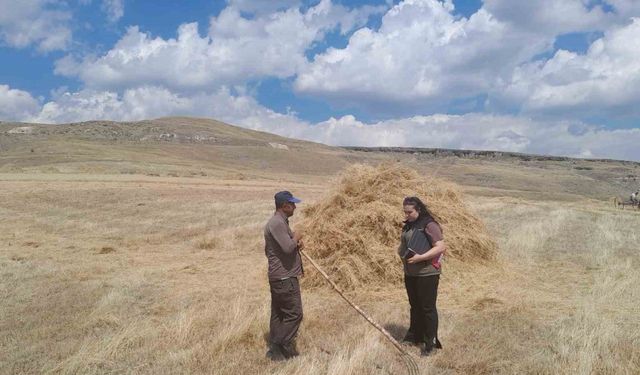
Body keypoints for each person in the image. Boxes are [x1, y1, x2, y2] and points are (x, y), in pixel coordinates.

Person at [398, 196, 447, 356]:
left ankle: (429, 343)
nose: (407, 215)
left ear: (418, 209)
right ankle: (414, 336)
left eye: (410, 212)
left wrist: (421, 257)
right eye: (405, 212)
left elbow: (440, 247)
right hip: (411, 273)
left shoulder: (430, 224)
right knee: (415, 306)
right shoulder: (410, 225)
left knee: (427, 308)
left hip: (427, 273)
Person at [264, 190, 304, 361]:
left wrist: (295, 244)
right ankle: (281, 345)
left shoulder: (280, 222)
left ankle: (276, 350)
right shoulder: (277, 223)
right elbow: (288, 247)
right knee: (295, 313)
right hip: (284, 278)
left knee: (279, 314)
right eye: (292, 204)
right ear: (284, 205)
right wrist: (296, 238)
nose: (295, 207)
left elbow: (283, 248)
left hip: (280, 277)